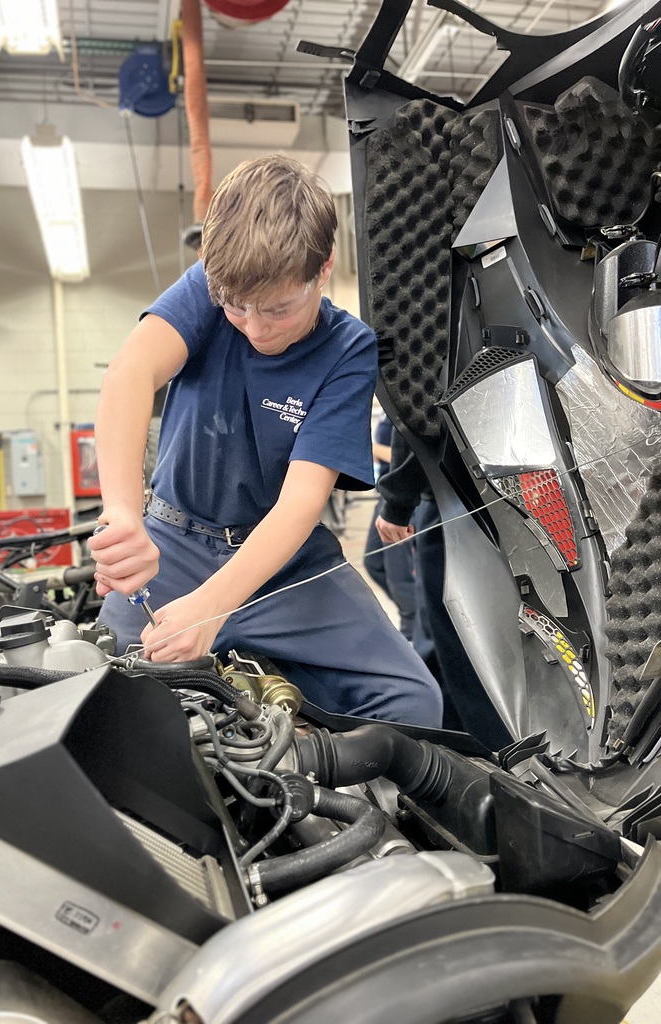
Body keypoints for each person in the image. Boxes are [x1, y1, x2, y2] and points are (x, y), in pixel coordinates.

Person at [88, 154, 442, 727]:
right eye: (236, 308)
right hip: (173, 545)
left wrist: (213, 607)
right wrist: (123, 513)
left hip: (285, 565)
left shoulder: (347, 349)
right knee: (102, 707)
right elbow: (128, 375)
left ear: (323, 267)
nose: (254, 328)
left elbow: (302, 502)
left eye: (278, 309)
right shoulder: (208, 286)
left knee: (413, 704)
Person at [376, 427, 511, 749]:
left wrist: (398, 500)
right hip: (488, 492)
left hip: (451, 496)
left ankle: (496, 757)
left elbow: (425, 419)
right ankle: (459, 743)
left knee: (464, 646)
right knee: (453, 641)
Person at [363, 411, 417, 641]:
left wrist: (374, 450)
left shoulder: (406, 399)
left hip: (405, 496)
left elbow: (412, 450)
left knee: (400, 575)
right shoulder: (389, 408)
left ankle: (412, 628)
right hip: (386, 494)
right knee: (373, 562)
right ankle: (415, 617)